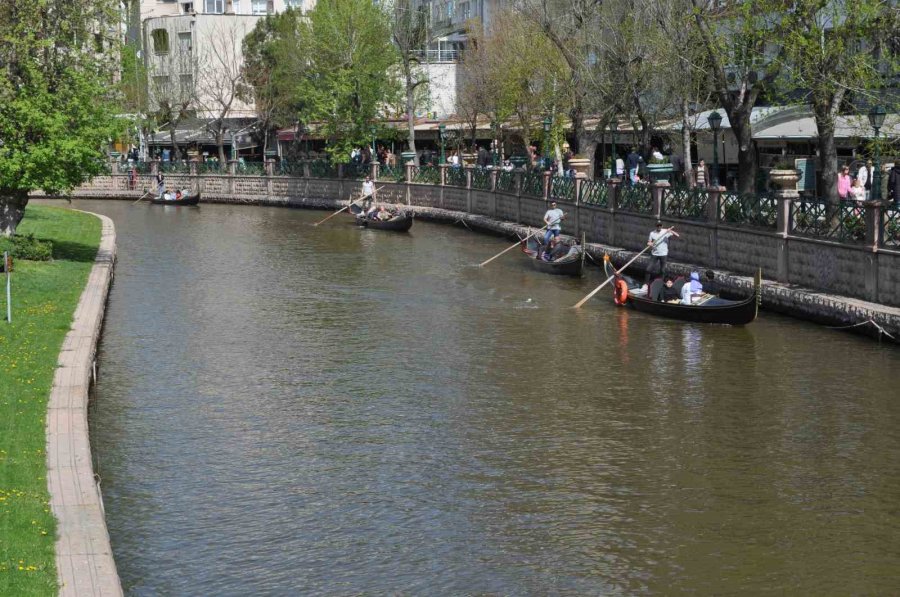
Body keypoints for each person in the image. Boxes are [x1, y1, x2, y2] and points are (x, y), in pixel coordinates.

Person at [646, 220, 679, 285]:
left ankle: (660, 283)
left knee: (662, 270)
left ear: (662, 226)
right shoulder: (652, 233)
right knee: (648, 269)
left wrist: (671, 231)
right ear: (656, 226)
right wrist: (649, 244)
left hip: (663, 254)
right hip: (654, 253)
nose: (659, 227)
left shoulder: (666, 232)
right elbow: (649, 242)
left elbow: (677, 235)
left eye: (660, 225)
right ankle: (646, 284)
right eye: (658, 225)